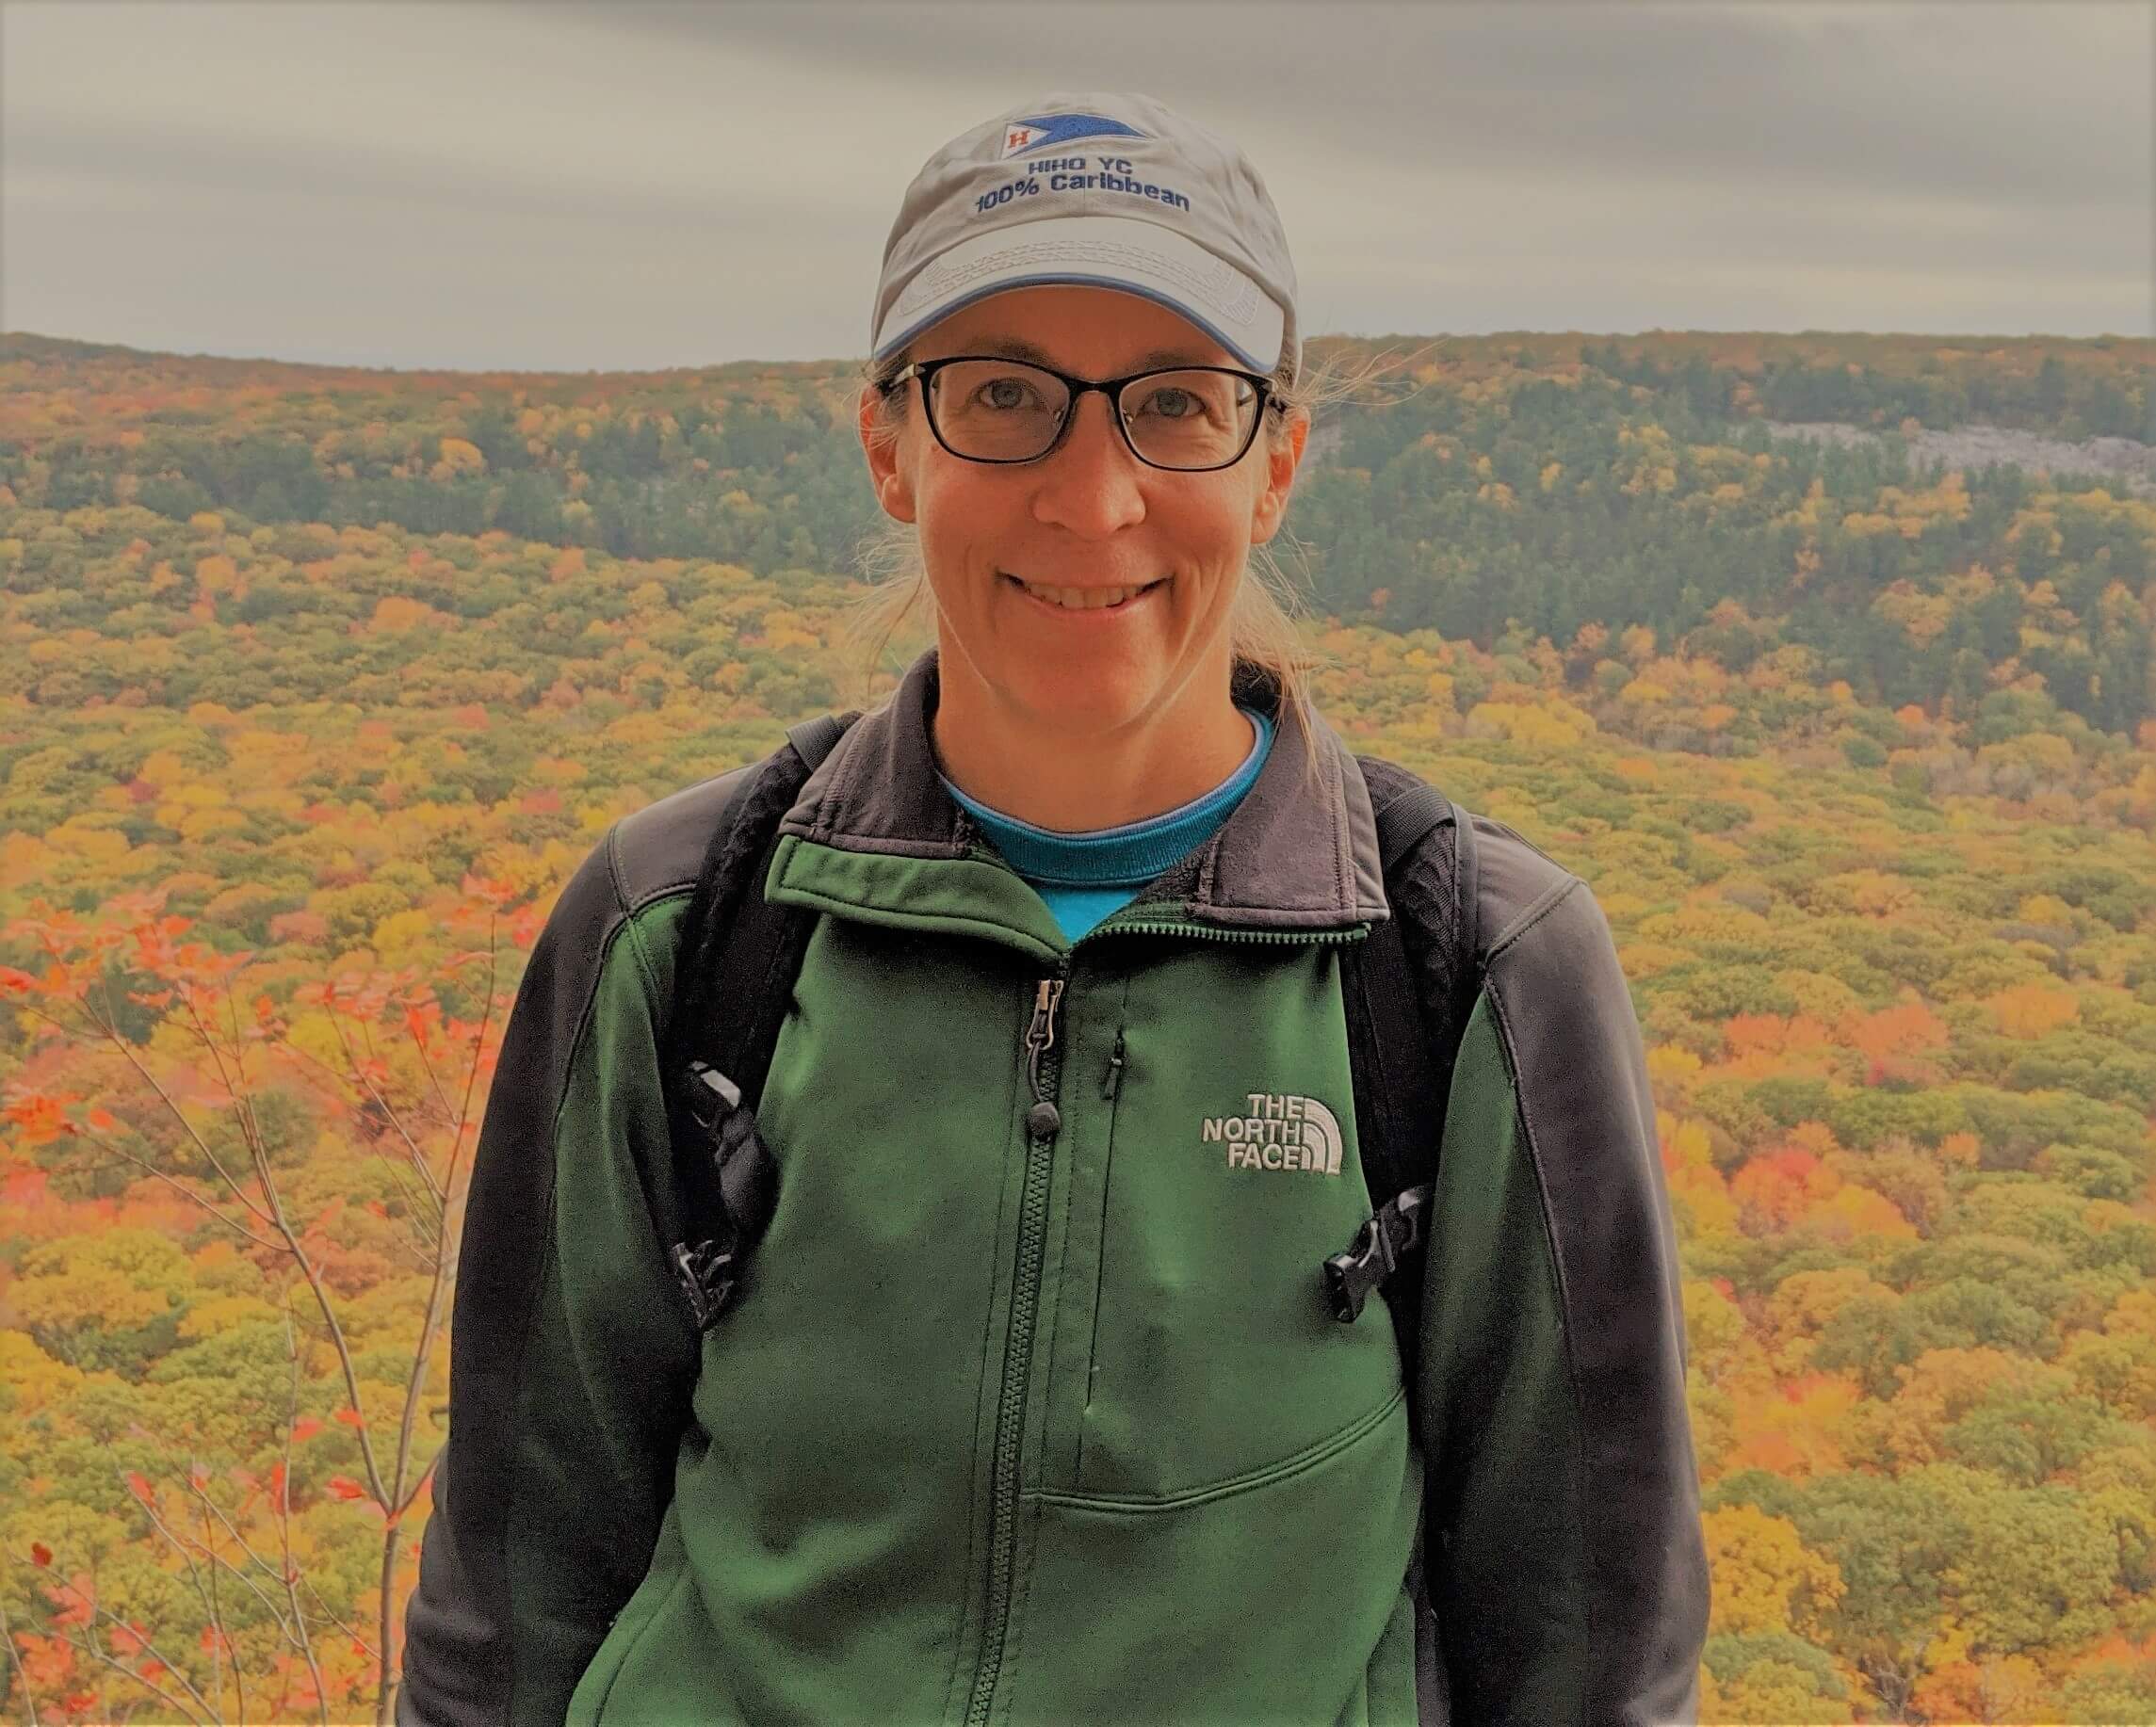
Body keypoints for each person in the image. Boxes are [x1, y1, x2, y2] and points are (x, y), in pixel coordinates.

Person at [400, 91, 1710, 1727]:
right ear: (889, 443)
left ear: (1276, 458)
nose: (1092, 499)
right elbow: (506, 1604)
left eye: (1172, 404)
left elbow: (1593, 1658)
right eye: (1004, 395)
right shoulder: (682, 930)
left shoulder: (1468, 969)